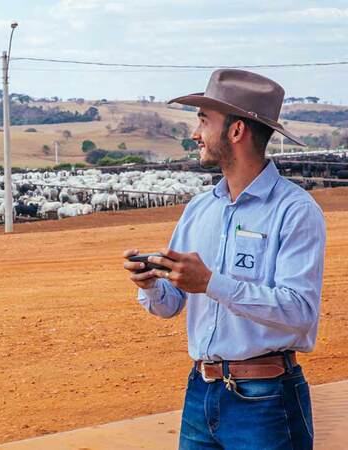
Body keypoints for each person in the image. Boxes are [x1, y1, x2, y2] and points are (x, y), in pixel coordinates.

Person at [123, 69, 325, 449]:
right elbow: (170, 306)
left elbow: (300, 311)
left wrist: (211, 282)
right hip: (201, 393)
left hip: (266, 401)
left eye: (203, 120)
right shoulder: (199, 210)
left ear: (236, 132)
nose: (195, 133)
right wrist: (151, 284)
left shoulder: (295, 210)